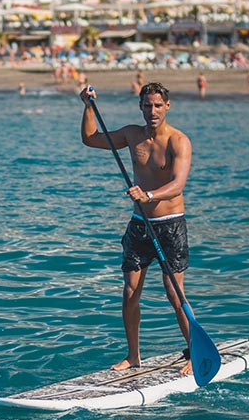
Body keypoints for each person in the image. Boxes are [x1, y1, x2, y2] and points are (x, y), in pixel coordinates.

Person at [79, 82, 195, 375]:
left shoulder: (178, 141)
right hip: (140, 225)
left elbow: (179, 184)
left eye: (157, 105)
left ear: (167, 106)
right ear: (140, 107)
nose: (152, 111)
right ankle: (133, 356)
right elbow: (91, 139)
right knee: (130, 292)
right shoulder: (132, 135)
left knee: (174, 292)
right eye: (147, 105)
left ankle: (195, 351)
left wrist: (150, 195)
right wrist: (88, 107)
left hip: (170, 226)